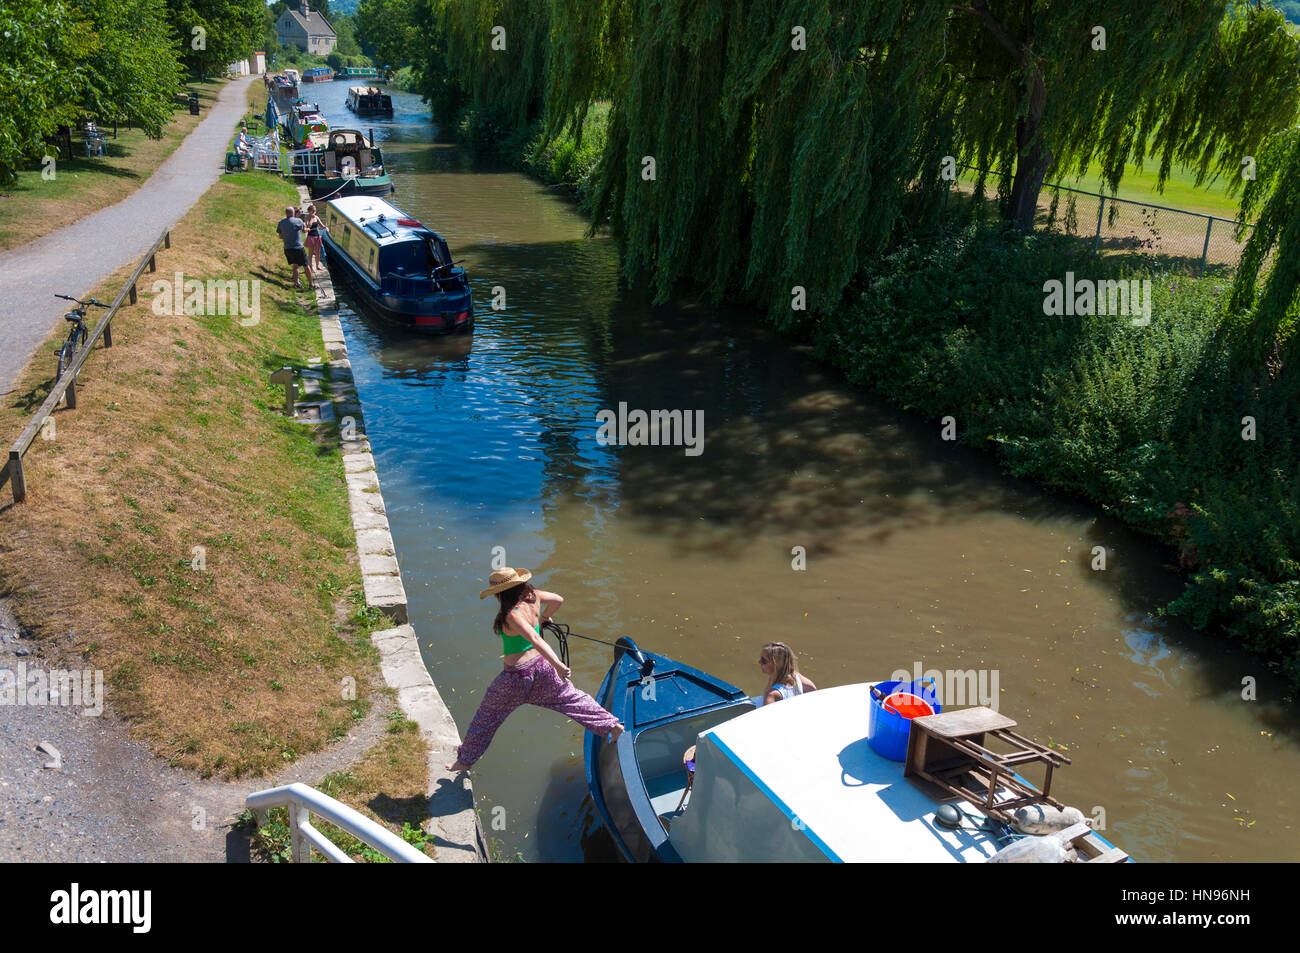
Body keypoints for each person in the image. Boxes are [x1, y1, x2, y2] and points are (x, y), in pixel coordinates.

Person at [445, 568, 624, 773]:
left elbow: (535, 639)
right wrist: (544, 618)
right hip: (542, 669)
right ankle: (613, 726)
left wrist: (558, 664)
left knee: (486, 717)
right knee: (573, 699)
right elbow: (558, 599)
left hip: (515, 678)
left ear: (499, 593)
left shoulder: (511, 614)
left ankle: (464, 761)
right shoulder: (534, 597)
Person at [275, 207, 308, 289]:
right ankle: (310, 284)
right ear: (293, 213)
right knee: (305, 265)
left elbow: (280, 236)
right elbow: (304, 230)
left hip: (287, 248)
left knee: (295, 265)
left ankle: (296, 283)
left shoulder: (281, 223)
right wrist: (308, 229)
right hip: (298, 247)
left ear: (286, 213)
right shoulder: (299, 221)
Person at [303, 203, 327, 274]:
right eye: (313, 211)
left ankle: (317, 266)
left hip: (317, 236)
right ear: (309, 211)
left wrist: (326, 228)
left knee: (318, 252)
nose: (314, 212)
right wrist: (311, 218)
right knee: (310, 253)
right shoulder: (307, 217)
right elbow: (308, 226)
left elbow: (322, 226)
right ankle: (310, 267)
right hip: (311, 237)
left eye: (315, 211)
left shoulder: (317, 217)